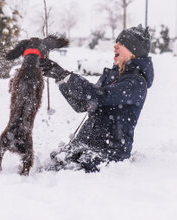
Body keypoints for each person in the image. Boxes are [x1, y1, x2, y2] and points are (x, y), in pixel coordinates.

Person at [39, 24, 154, 172]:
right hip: (85, 144)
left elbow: (98, 96)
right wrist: (61, 79)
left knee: (61, 172)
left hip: (109, 153)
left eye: (122, 44)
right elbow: (82, 104)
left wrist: (66, 76)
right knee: (51, 165)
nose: (115, 46)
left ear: (133, 52)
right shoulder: (113, 76)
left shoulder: (136, 83)